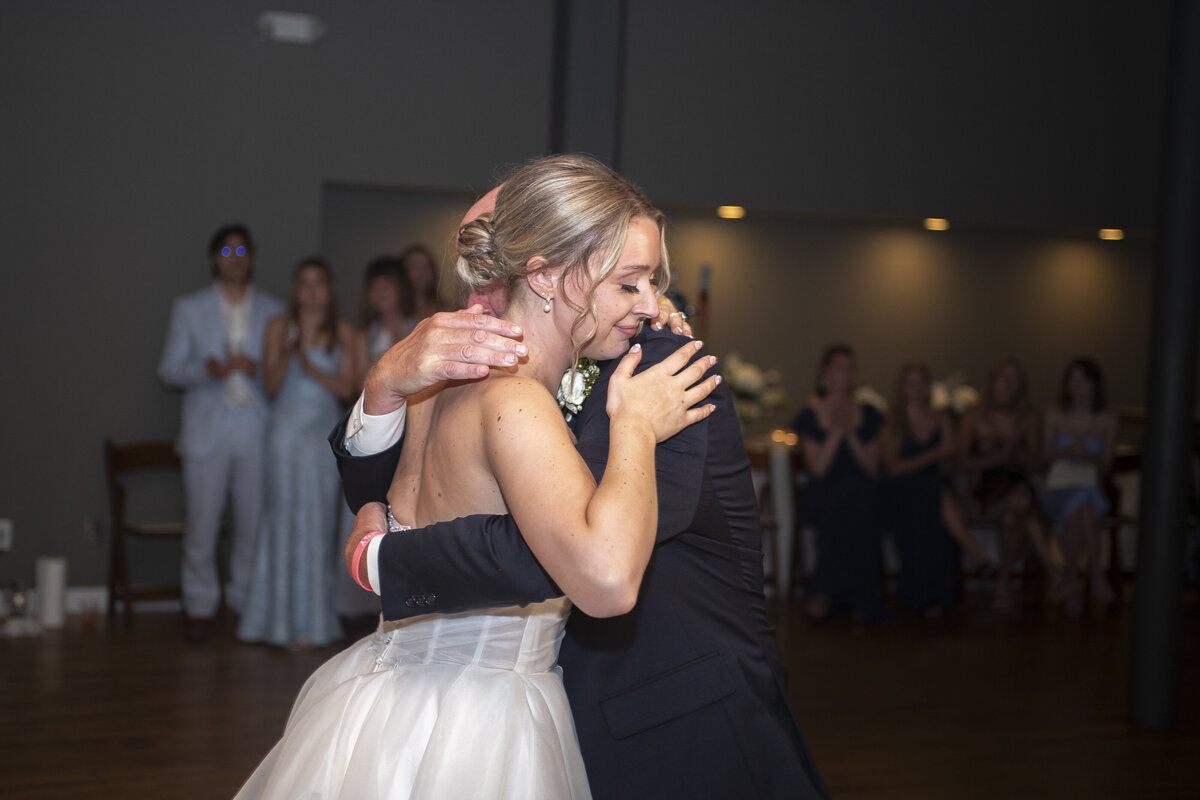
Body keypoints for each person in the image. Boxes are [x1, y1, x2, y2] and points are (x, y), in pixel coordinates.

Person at [331, 168, 830, 798]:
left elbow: (543, 551)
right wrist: (381, 386)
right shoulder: (457, 370)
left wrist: (377, 559)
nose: (478, 285)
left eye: (649, 281)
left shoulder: (654, 365)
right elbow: (400, 490)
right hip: (502, 718)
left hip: (676, 719)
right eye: (476, 259)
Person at [235, 155, 722, 799]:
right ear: (544, 277)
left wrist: (372, 557)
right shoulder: (515, 400)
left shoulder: (437, 379)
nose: (654, 305)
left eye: (651, 282)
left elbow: (400, 508)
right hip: (480, 724)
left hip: (386, 704)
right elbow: (606, 579)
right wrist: (634, 424)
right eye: (629, 283)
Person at [158, 224, 284, 642]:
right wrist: (205, 369)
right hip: (206, 430)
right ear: (214, 259)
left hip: (255, 428)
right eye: (227, 251)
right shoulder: (189, 308)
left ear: (252, 258)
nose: (235, 258)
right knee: (202, 524)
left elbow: (283, 373)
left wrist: (259, 368)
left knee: (252, 524)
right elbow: (168, 370)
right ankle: (199, 605)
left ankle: (246, 604)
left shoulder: (273, 309)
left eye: (242, 250)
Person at [236, 258, 357, 648]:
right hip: (284, 434)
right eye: (304, 282)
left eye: (318, 282)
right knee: (280, 519)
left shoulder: (344, 332)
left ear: (329, 289)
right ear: (295, 289)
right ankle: (274, 622)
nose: (311, 290)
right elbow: (270, 386)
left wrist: (309, 364)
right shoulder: (277, 326)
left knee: (318, 523)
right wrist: (288, 355)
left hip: (322, 435)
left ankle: (312, 624)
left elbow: (348, 389)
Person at [882, 363, 993, 617]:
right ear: (902, 387)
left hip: (933, 489)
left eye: (921, 382)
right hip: (901, 492)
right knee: (929, 490)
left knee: (931, 494)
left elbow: (947, 465)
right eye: (911, 382)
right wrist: (935, 453)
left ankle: (936, 595)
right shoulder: (892, 421)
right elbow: (893, 468)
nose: (916, 388)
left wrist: (948, 456)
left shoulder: (941, 419)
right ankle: (976, 553)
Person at [793, 344, 888, 623]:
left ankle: (851, 595)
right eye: (838, 367)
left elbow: (872, 467)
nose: (844, 373)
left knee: (860, 499)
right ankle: (841, 594)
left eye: (849, 368)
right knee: (842, 502)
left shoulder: (869, 413)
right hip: (825, 492)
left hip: (863, 491)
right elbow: (818, 469)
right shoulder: (810, 415)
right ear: (826, 371)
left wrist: (852, 435)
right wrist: (836, 432)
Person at [958, 357, 1060, 612]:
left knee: (1015, 509)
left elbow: (1038, 465)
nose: (1007, 385)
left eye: (1014, 380)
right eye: (1003, 378)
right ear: (993, 381)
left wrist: (1014, 448)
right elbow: (958, 461)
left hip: (1019, 482)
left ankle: (1003, 583)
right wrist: (994, 457)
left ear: (1020, 386)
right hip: (987, 487)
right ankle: (1053, 574)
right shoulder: (974, 415)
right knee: (1022, 511)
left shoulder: (1028, 417)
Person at [1041, 357, 1118, 615]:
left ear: (1094, 384)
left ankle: (1073, 581)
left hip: (1089, 485)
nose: (1077, 385)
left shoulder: (1107, 419)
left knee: (1081, 507)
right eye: (1072, 379)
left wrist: (1088, 456)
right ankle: (1095, 576)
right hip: (1058, 487)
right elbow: (1044, 457)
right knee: (1081, 505)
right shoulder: (1054, 413)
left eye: (1083, 379)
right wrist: (1065, 452)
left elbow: (1106, 464)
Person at [399, 243, 443, 321]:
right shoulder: (395, 309)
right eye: (414, 267)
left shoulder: (444, 307)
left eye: (425, 266)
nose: (421, 272)